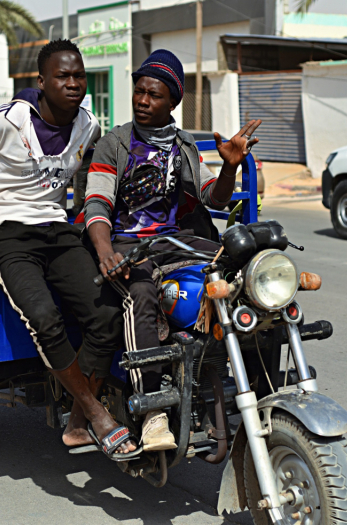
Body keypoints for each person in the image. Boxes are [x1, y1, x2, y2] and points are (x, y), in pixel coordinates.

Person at [0, 39, 137, 459]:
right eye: (62, 76)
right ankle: (97, 415)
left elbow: (86, 178)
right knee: (44, 318)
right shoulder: (9, 120)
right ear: (42, 81)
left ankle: (80, 422)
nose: (73, 83)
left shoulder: (88, 124)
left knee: (106, 312)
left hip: (53, 226)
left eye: (79, 76)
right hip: (3, 229)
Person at [80, 49, 260, 451]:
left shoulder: (184, 145)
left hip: (173, 239)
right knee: (140, 293)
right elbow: (96, 203)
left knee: (241, 269)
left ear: (173, 102)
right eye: (139, 92)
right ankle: (152, 411)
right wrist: (106, 252)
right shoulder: (114, 144)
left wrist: (230, 166)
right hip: (124, 243)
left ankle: (251, 382)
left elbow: (214, 198)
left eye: (154, 95)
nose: (143, 101)